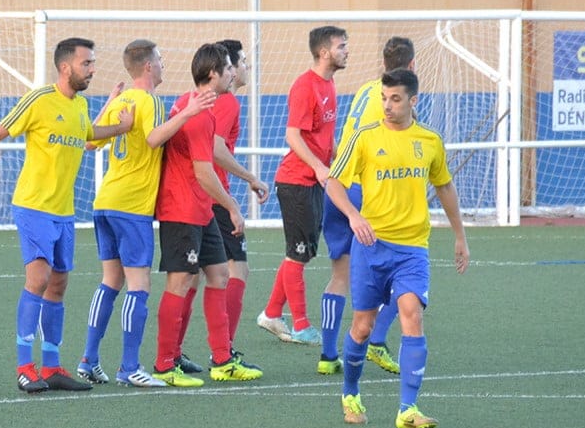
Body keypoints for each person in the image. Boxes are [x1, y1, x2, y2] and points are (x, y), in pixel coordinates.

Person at [0, 37, 134, 394]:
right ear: (65, 67)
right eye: (86, 63)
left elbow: (88, 136)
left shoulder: (81, 106)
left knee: (58, 285)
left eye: (92, 63)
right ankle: (25, 366)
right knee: (38, 279)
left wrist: (120, 126)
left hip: (64, 212)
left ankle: (53, 366)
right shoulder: (39, 99)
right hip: (33, 206)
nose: (92, 69)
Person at [327, 67, 469, 428]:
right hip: (370, 247)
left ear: (412, 100)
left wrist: (459, 236)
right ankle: (350, 392)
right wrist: (354, 216)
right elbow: (332, 183)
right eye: (384, 98)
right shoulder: (363, 137)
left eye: (395, 98)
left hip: (412, 249)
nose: (387, 105)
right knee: (362, 326)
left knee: (412, 313)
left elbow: (445, 187)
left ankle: (408, 409)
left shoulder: (430, 141)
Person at [77, 39, 216, 388]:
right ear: (149, 66)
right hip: (132, 205)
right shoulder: (149, 100)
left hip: (105, 201)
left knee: (110, 281)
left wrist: (109, 102)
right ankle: (129, 367)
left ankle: (88, 360)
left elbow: (90, 140)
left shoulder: (123, 100)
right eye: (161, 59)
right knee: (139, 285)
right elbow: (154, 139)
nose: (164, 65)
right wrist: (188, 111)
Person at [152, 42, 263, 387]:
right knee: (180, 281)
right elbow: (204, 170)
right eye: (229, 68)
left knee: (218, 274)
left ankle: (222, 359)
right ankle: (164, 364)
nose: (234, 73)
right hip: (182, 209)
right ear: (213, 74)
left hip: (200, 209)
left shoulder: (197, 105)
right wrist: (232, 206)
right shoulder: (198, 113)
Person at [317, 36, 416, 375]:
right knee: (402, 274)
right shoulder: (397, 101)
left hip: (337, 187)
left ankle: (328, 356)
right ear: (412, 66)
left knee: (339, 277)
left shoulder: (365, 90)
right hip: (365, 194)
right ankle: (375, 341)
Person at [257, 26, 348, 345]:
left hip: (313, 182)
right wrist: (319, 166)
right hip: (295, 181)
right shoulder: (305, 86)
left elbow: (325, 134)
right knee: (297, 255)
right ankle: (300, 324)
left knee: (302, 253)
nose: (346, 50)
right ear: (324, 52)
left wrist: (341, 161)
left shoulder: (330, 84)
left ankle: (271, 313)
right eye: (341, 46)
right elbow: (292, 135)